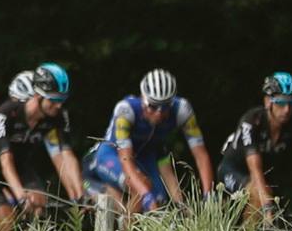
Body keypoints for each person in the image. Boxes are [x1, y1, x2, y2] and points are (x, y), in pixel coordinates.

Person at [0, 67, 88, 231]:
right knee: (7, 221)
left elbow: (64, 155)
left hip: (20, 165)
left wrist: (78, 196)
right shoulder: (7, 114)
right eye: (53, 100)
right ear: (38, 95)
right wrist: (21, 197)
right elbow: (6, 161)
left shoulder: (55, 116)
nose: (58, 106)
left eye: (62, 100)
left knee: (39, 206)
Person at [86, 69, 218, 218]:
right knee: (142, 190)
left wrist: (209, 195)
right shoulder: (126, 111)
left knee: (161, 203)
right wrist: (146, 197)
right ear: (143, 98)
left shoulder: (183, 110)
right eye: (153, 106)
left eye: (165, 106)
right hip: (113, 155)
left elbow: (201, 155)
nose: (159, 113)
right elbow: (126, 161)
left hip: (146, 157)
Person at [221, 72, 292, 231]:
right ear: (268, 101)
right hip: (233, 169)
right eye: (281, 103)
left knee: (276, 205)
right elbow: (255, 169)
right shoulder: (252, 120)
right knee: (260, 194)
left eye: (291, 104)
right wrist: (267, 205)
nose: (287, 110)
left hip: (265, 173)